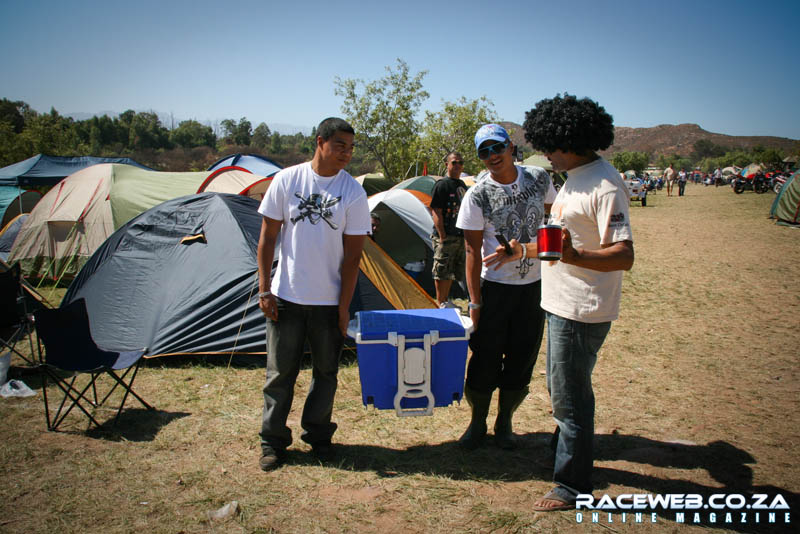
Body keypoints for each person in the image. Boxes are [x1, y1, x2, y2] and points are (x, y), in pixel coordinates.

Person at [503, 94, 634, 510]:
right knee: (563, 388)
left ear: (571, 140)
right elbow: (558, 242)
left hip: (582, 308)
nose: (545, 154)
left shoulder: (605, 184)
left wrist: (577, 257)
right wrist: (522, 251)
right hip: (560, 303)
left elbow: (624, 255)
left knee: (570, 396)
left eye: (549, 145)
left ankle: (572, 486)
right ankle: (566, 459)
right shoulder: (573, 178)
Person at [256, 117, 371, 471]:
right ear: (320, 142)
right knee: (279, 375)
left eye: (351, 148)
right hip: (286, 297)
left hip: (327, 302)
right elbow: (267, 238)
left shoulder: (353, 192)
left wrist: (343, 306)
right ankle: (272, 442)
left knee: (326, 374)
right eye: (340, 146)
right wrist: (264, 289)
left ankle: (318, 437)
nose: (347, 154)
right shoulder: (287, 180)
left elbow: (353, 257)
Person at [455, 124, 557, 450]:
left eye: (496, 148)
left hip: (534, 287)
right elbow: (472, 251)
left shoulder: (539, 178)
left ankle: (505, 421)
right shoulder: (477, 194)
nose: (492, 156)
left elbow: (554, 220)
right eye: (483, 152)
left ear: (510, 146)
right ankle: (477, 423)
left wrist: (536, 251)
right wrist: (475, 302)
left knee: (522, 357)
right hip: (494, 289)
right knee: (484, 358)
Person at [430, 152, 469, 306]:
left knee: (452, 271)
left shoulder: (462, 185)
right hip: (445, 236)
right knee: (441, 270)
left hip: (459, 235)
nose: (458, 165)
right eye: (454, 162)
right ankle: (441, 303)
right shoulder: (442, 185)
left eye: (460, 162)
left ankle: (446, 301)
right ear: (447, 165)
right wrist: (442, 235)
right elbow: (436, 210)